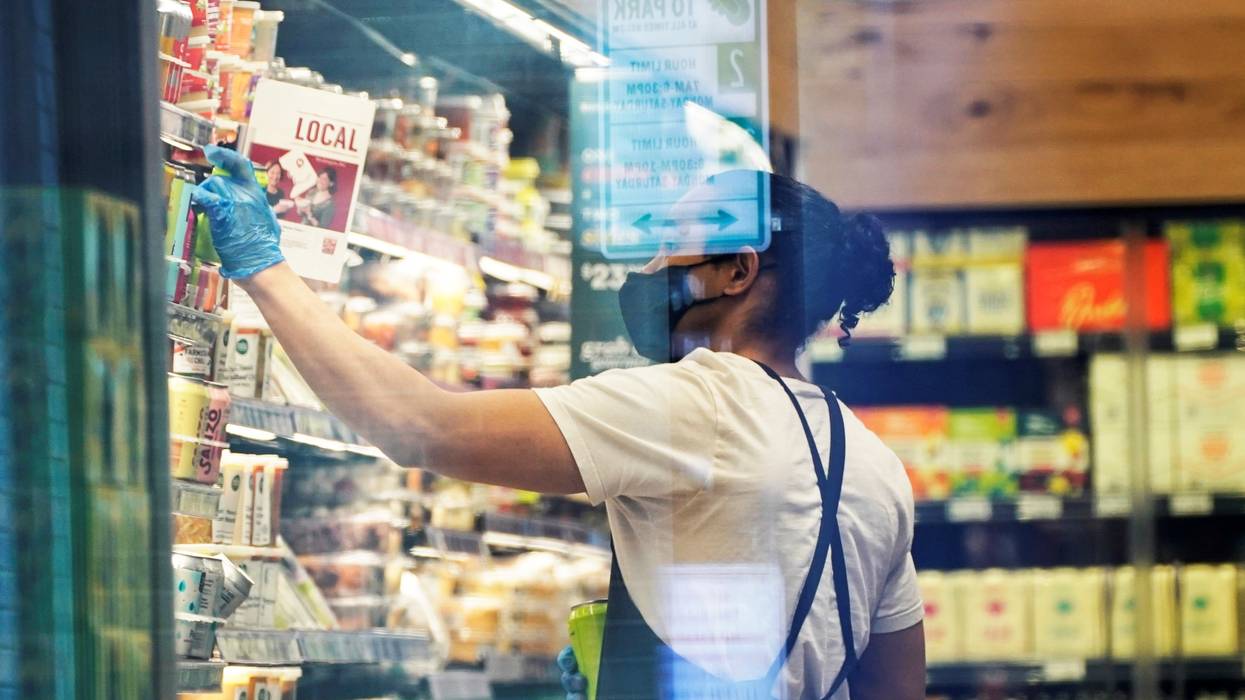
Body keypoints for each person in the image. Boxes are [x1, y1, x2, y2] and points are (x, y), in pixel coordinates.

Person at [192, 145, 926, 700]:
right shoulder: (867, 459)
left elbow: (419, 427)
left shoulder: (695, 402)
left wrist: (265, 270)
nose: (648, 267)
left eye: (671, 243)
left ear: (735, 272)